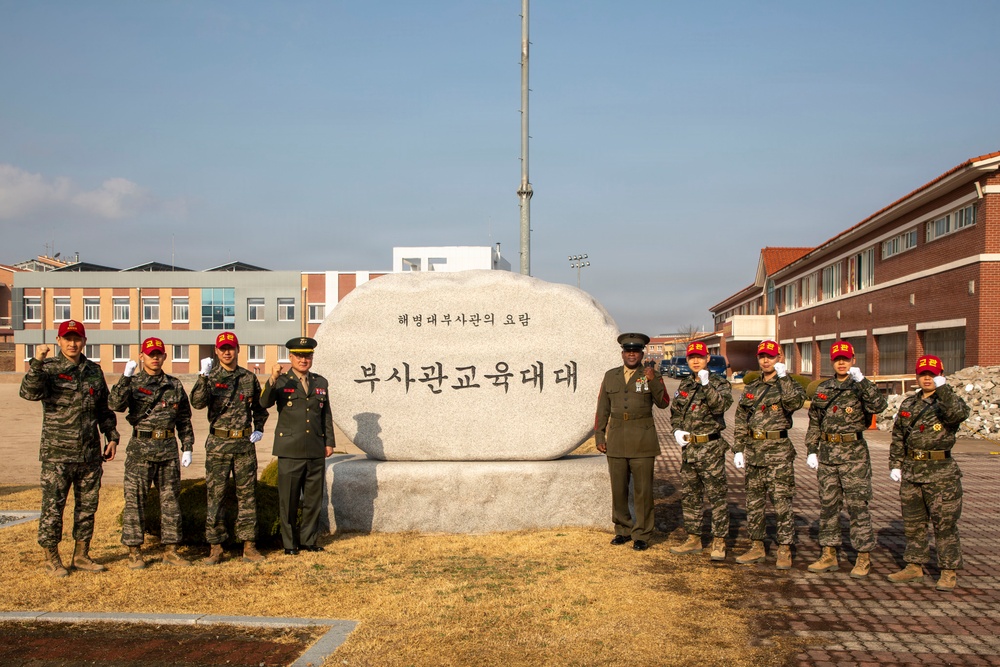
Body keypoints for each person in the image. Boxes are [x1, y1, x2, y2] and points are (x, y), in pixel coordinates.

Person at [19, 320, 119, 577]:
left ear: (84, 341)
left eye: (77, 338)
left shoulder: (94, 371)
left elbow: (104, 409)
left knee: (87, 507)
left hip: (89, 453)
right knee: (53, 506)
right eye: (67, 338)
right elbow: (29, 393)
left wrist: (112, 437)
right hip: (57, 453)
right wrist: (36, 362)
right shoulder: (48, 368)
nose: (72, 343)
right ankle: (51, 557)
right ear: (58, 340)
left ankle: (81, 554)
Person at [109, 337, 195, 569]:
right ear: (141, 356)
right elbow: (115, 404)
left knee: (170, 503)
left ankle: (171, 549)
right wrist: (124, 377)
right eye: (150, 354)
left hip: (167, 452)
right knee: (135, 501)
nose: (155, 358)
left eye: (158, 354)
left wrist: (187, 446)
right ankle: (134, 551)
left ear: (165, 356)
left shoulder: (174, 385)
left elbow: (184, 420)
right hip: (140, 452)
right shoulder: (134, 383)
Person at [804, 341, 888, 578]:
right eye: (837, 359)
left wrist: (862, 382)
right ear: (832, 361)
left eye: (846, 358)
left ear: (853, 360)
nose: (841, 362)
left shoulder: (860, 386)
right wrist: (812, 449)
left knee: (858, 506)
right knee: (828, 506)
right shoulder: (824, 388)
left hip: (854, 456)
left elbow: (879, 405)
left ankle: (862, 557)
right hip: (828, 454)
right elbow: (815, 422)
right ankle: (828, 553)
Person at [886, 355, 970, 591]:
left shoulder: (949, 401)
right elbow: (898, 437)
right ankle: (914, 565)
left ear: (941, 374)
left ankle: (948, 570)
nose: (927, 378)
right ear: (917, 376)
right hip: (913, 471)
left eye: (932, 374)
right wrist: (895, 464)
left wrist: (944, 390)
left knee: (944, 524)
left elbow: (956, 415)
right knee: (913, 523)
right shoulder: (908, 404)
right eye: (924, 374)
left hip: (941, 473)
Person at [190, 332, 269, 564]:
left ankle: (249, 546)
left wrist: (260, 428)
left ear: (238, 350)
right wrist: (203, 377)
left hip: (244, 445)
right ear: (216, 351)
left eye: (231, 348)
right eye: (223, 348)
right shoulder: (210, 377)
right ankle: (216, 547)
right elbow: (197, 402)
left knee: (247, 496)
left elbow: (260, 408)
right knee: (216, 496)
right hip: (218, 446)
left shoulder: (248, 377)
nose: (227, 352)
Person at [260, 337, 336, 555]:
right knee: (289, 500)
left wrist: (329, 441)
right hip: (290, 448)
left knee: (313, 499)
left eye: (308, 355)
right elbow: (264, 402)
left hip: (315, 447)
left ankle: (308, 540)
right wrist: (272, 378)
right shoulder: (282, 381)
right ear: (290, 357)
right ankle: (290, 543)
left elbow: (325, 414)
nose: (304, 360)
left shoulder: (320, 382)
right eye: (300, 356)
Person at [733, 340, 806, 569]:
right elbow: (740, 419)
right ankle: (757, 546)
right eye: (763, 356)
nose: (766, 360)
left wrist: (784, 379)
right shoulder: (752, 387)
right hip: (754, 452)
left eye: (771, 356)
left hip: (778, 454)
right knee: (754, 503)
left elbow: (794, 403)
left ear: (779, 358)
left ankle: (784, 549)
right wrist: (738, 448)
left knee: (781, 502)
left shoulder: (789, 384)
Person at [594, 333, 670, 551]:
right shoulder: (611, 376)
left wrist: (653, 379)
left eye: (635, 351)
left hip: (642, 440)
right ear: (622, 353)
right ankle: (623, 529)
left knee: (643, 491)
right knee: (618, 489)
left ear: (641, 353)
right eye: (628, 351)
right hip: (617, 438)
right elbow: (602, 408)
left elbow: (664, 403)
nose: (631, 354)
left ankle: (643, 533)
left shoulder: (650, 375)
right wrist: (600, 435)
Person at [669, 341, 734, 561]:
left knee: (716, 497)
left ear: (707, 358)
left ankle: (719, 541)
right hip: (690, 449)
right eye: (691, 357)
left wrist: (706, 386)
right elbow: (676, 411)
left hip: (711, 449)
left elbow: (719, 407)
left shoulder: (719, 383)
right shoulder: (685, 385)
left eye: (700, 357)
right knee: (690, 496)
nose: (695, 361)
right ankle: (694, 538)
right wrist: (677, 429)